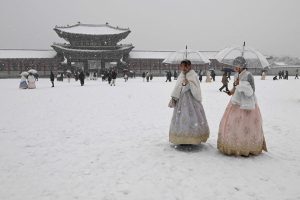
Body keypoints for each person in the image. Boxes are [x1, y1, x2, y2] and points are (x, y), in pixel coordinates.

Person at [218, 56, 267, 156]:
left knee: (246, 126)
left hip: (246, 104)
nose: (235, 67)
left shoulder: (249, 75)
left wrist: (240, 85)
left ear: (242, 66)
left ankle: (246, 146)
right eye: (234, 65)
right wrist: (231, 92)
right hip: (235, 103)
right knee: (233, 124)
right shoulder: (236, 75)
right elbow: (235, 88)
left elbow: (251, 91)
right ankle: (233, 144)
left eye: (236, 65)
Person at [168, 59, 210, 146]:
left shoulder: (192, 75)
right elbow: (178, 87)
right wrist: (175, 96)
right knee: (182, 117)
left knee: (192, 117)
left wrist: (189, 84)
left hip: (191, 99)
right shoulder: (181, 75)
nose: (183, 68)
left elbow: (196, 87)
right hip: (181, 100)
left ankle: (192, 137)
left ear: (189, 66)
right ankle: (182, 137)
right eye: (182, 66)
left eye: (185, 66)